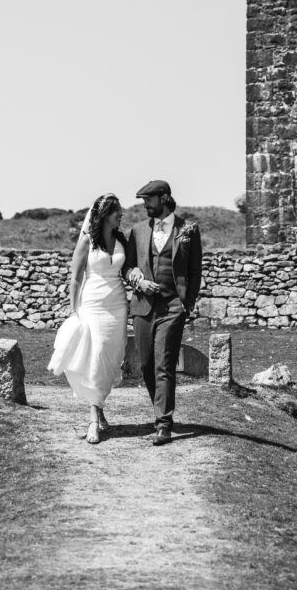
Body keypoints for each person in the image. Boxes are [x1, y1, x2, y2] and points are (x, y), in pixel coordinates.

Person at [123, 180, 202, 446]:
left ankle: (163, 423)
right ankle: (161, 411)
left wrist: (186, 303)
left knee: (163, 365)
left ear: (164, 198)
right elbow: (128, 267)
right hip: (144, 306)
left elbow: (194, 271)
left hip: (172, 308)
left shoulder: (188, 230)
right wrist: (138, 281)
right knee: (146, 364)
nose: (145, 205)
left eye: (149, 200)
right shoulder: (137, 231)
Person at [48, 193, 128, 444]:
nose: (121, 216)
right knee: (95, 357)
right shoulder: (87, 241)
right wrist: (74, 310)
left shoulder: (120, 239)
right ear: (105, 214)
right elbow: (75, 277)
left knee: (109, 359)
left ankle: (99, 406)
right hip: (93, 305)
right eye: (118, 213)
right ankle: (94, 420)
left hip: (117, 306)